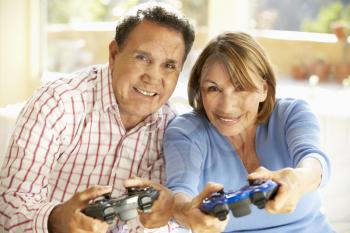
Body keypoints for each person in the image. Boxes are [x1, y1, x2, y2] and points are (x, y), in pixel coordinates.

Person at [0, 2, 195, 233]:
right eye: (142, 58)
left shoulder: (174, 129)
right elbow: (8, 206)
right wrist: (57, 220)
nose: (153, 77)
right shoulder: (59, 102)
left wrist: (163, 218)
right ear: (113, 54)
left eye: (169, 66)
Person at [164, 32, 334, 233]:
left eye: (241, 87)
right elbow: (180, 192)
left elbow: (314, 162)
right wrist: (186, 213)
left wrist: (298, 180)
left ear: (263, 88)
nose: (227, 106)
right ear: (199, 91)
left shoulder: (290, 114)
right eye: (213, 89)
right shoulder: (186, 132)